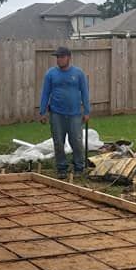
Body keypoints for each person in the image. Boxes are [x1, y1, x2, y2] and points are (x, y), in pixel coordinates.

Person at [39, 46, 90, 178]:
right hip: (56, 114)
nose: (59, 60)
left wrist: (87, 111)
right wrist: (42, 111)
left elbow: (85, 93)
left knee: (77, 141)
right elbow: (45, 93)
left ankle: (79, 167)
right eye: (57, 57)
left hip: (74, 114)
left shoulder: (78, 73)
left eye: (62, 57)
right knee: (58, 142)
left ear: (69, 57)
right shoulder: (51, 74)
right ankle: (62, 168)